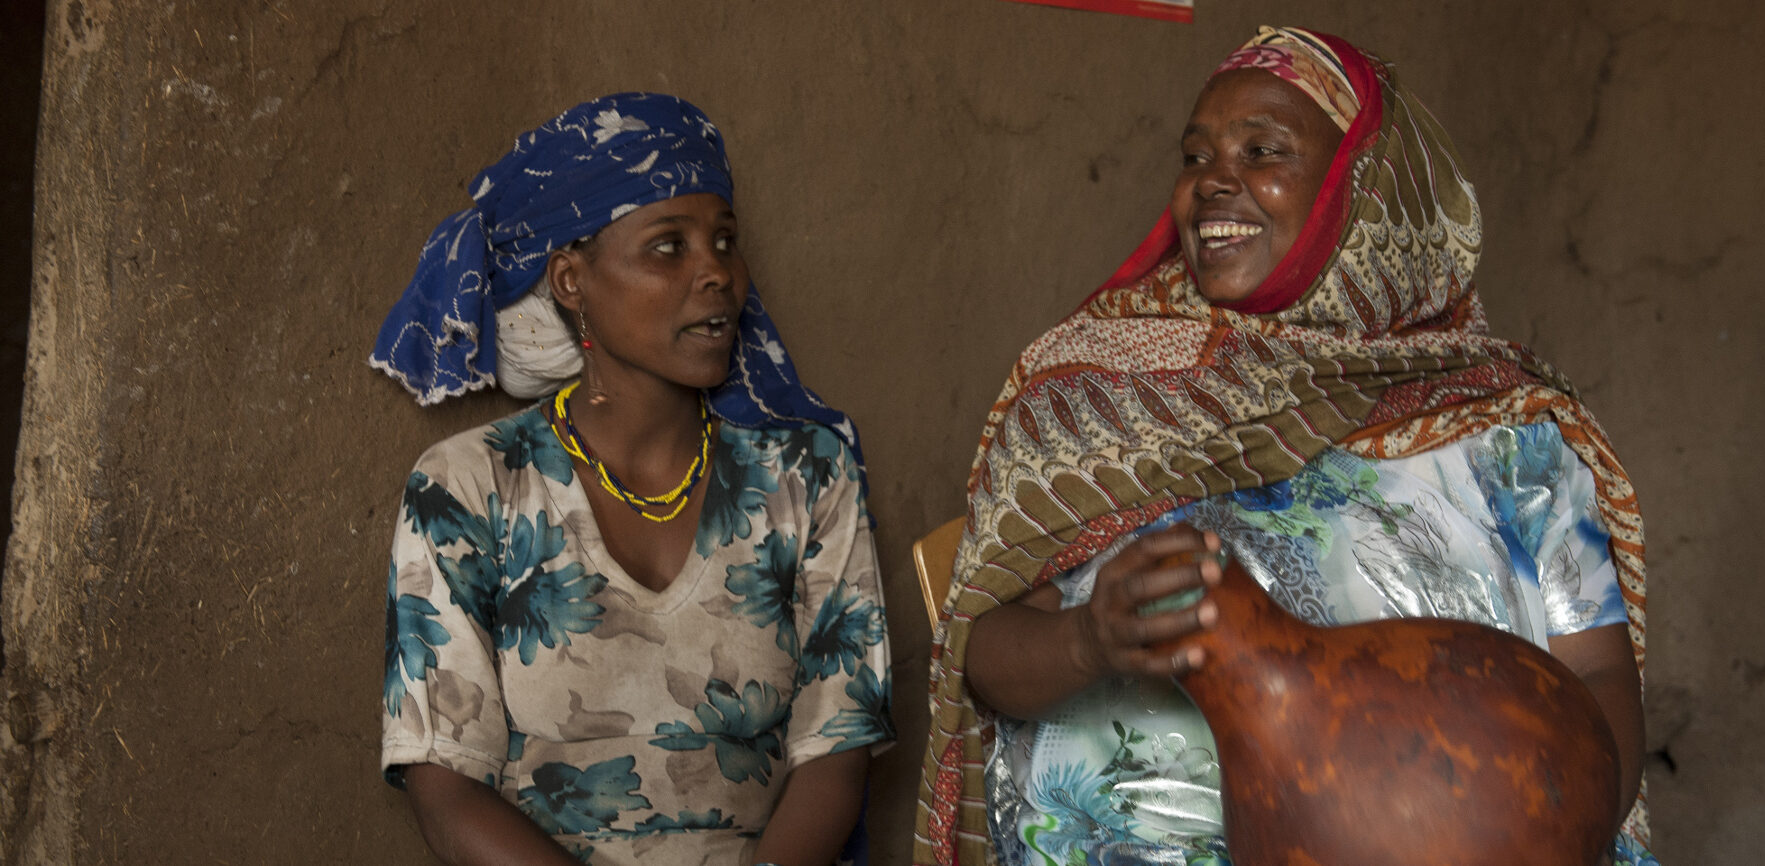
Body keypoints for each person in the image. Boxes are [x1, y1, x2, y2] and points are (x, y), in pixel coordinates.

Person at [914, 27, 1659, 866]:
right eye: (1194, 158)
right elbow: (980, 653)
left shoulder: (1504, 423)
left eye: (1262, 150)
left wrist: (1543, 834)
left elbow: (1597, 680)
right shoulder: (1086, 397)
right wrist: (1087, 641)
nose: (1212, 183)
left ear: (1363, 190)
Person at [371, 93, 893, 866]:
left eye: (724, 240)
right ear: (572, 280)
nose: (715, 270)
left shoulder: (808, 478)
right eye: (668, 246)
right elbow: (443, 784)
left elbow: (837, 753)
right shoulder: (469, 487)